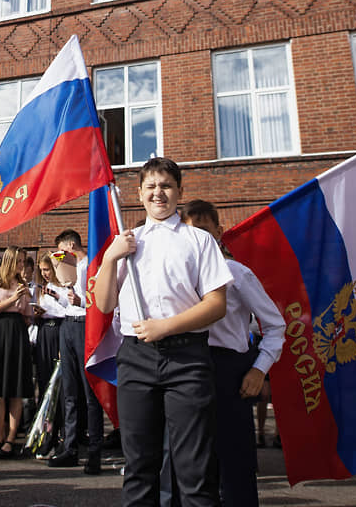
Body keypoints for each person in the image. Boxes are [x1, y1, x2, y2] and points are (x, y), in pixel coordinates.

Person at [94, 157, 232, 507]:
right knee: (140, 464)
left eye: (166, 186)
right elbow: (105, 304)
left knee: (194, 469)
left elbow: (216, 304)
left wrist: (165, 326)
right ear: (139, 193)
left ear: (179, 192)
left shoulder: (199, 240)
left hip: (187, 359)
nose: (159, 193)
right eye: (151, 186)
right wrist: (110, 258)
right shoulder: (126, 242)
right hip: (136, 359)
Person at [182, 199, 285, 507]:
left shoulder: (235, 272)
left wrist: (259, 369)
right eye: (189, 232)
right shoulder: (176, 274)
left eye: (203, 230)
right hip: (186, 368)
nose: (197, 238)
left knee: (235, 462)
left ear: (219, 232)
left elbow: (276, 325)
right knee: (190, 460)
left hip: (229, 372)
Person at [50, 229, 104, 474]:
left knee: (89, 391)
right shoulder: (68, 270)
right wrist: (59, 297)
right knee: (69, 391)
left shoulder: (91, 265)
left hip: (86, 324)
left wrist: (79, 301)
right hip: (68, 325)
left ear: (71, 245)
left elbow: (99, 299)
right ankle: (70, 448)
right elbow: (67, 299)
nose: (61, 255)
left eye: (62, 250)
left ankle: (95, 451)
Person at [0, 246, 33, 459]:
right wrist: (13, 299)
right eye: (19, 261)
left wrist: (27, 299)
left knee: (15, 388)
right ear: (9, 262)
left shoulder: (23, 285)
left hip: (17, 334)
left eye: (23, 262)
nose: (22, 266)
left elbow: (27, 315)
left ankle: (11, 439)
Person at [32, 251, 69, 459]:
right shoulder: (39, 290)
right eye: (43, 270)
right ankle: (46, 434)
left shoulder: (62, 287)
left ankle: (63, 435)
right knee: (45, 382)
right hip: (44, 331)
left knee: (60, 386)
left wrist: (56, 297)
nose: (45, 274)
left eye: (49, 269)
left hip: (59, 330)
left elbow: (66, 309)